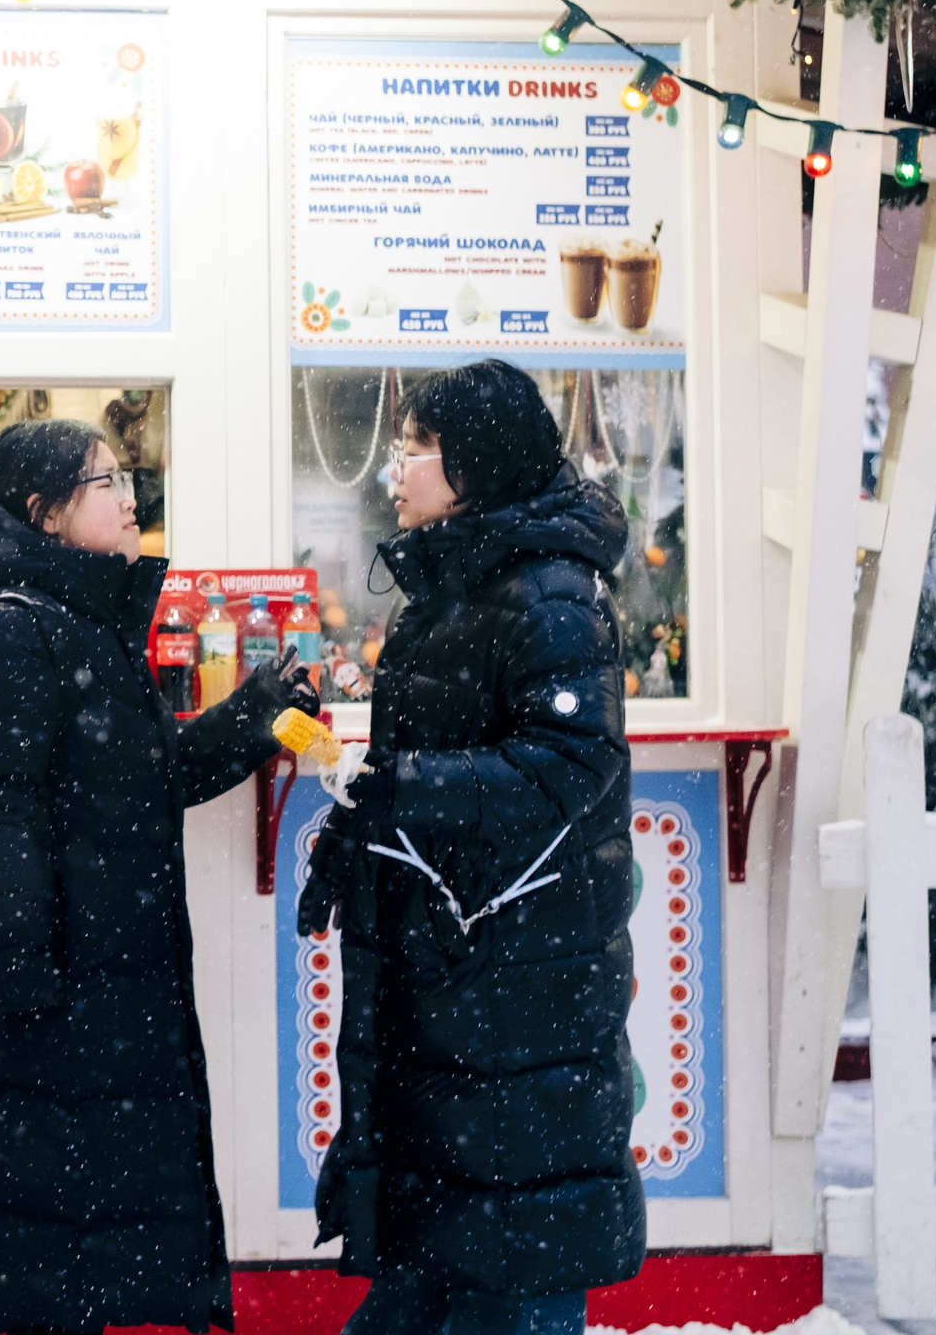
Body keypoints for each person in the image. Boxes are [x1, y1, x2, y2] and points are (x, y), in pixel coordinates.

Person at [0, 418, 319, 1335]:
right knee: (50, 1233)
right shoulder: (11, 634)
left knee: (92, 1230)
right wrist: (21, 989)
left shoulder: (81, 624)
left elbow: (144, 783)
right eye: (104, 482)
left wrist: (253, 716)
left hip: (100, 986)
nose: (130, 496)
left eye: (125, 476)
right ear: (44, 512)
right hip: (57, 996)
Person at [296, 360, 643, 1335]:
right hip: (452, 994)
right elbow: (426, 767)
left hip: (516, 992)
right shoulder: (452, 590)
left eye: (415, 448)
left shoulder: (547, 594)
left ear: (474, 465)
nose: (394, 470)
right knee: (437, 1263)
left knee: (509, 1273)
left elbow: (562, 769)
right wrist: (352, 841)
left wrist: (403, 790)